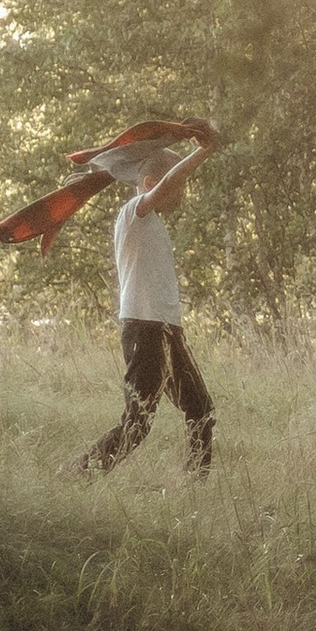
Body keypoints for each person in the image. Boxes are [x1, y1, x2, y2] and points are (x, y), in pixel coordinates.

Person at [77, 115, 222, 480]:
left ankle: (195, 486)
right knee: (138, 421)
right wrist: (203, 152)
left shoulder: (152, 223)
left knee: (201, 410)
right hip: (145, 331)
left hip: (167, 332)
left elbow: (171, 180)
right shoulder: (134, 214)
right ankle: (80, 475)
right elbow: (172, 179)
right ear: (152, 183)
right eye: (180, 185)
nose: (183, 193)